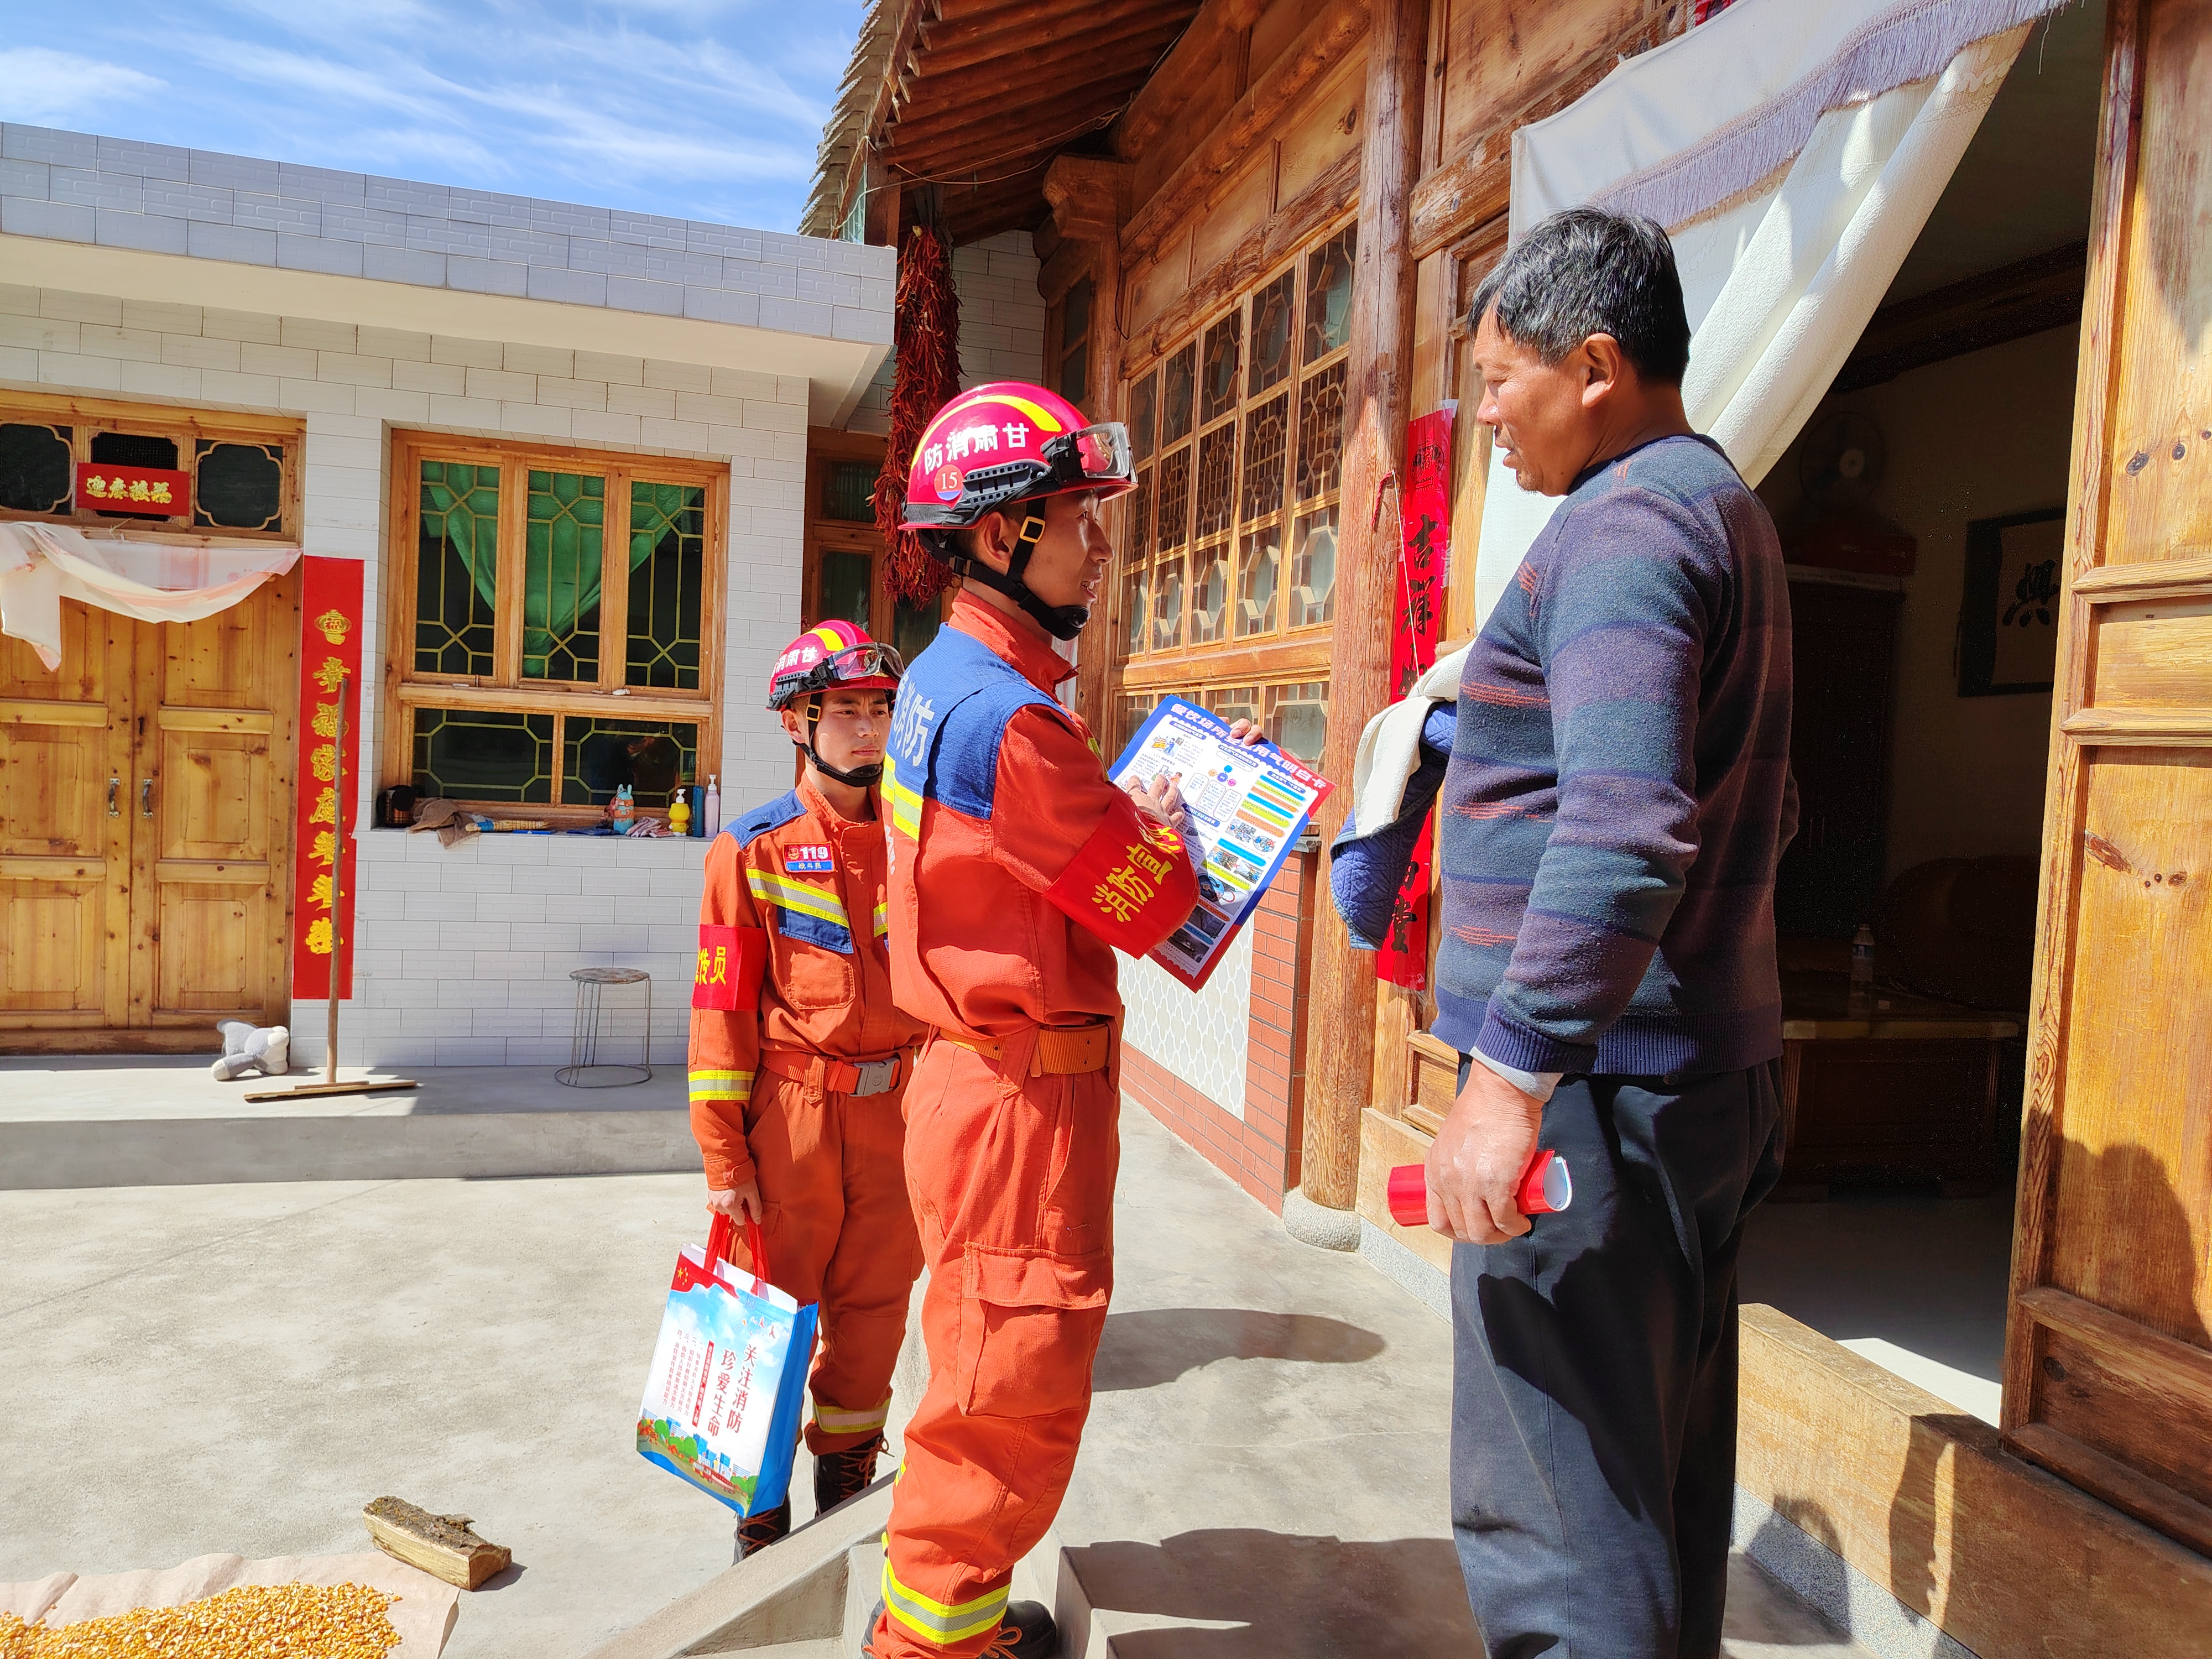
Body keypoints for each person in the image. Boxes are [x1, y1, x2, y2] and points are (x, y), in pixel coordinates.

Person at [1428, 208, 1795, 1657]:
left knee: (1559, 1528)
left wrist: (1509, 1079)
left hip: (1596, 1100)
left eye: (1497, 382)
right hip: (1688, 1082)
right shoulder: (1722, 510)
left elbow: (1628, 822)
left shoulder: (1628, 525)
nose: (1488, 425)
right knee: (1643, 1495)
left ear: (1595, 366)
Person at [861, 382, 1208, 1659]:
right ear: (1005, 535)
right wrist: (1165, 826)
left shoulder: (944, 680)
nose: (1098, 549)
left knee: (971, 1358)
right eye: (1079, 519)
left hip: (970, 1077)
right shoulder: (1010, 720)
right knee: (1007, 1379)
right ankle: (932, 1647)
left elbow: (1015, 857)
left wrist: (1111, 804)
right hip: (1021, 1101)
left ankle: (940, 1620)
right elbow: (1150, 897)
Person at [686, 620, 929, 1559]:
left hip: (897, 1110)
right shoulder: (750, 851)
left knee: (873, 1319)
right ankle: (759, 1527)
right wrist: (722, 1154)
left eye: (882, 710)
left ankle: (844, 1501)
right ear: (798, 720)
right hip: (790, 1116)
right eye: (848, 712)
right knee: (768, 1323)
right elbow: (719, 1015)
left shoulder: (918, 841)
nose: (869, 730)